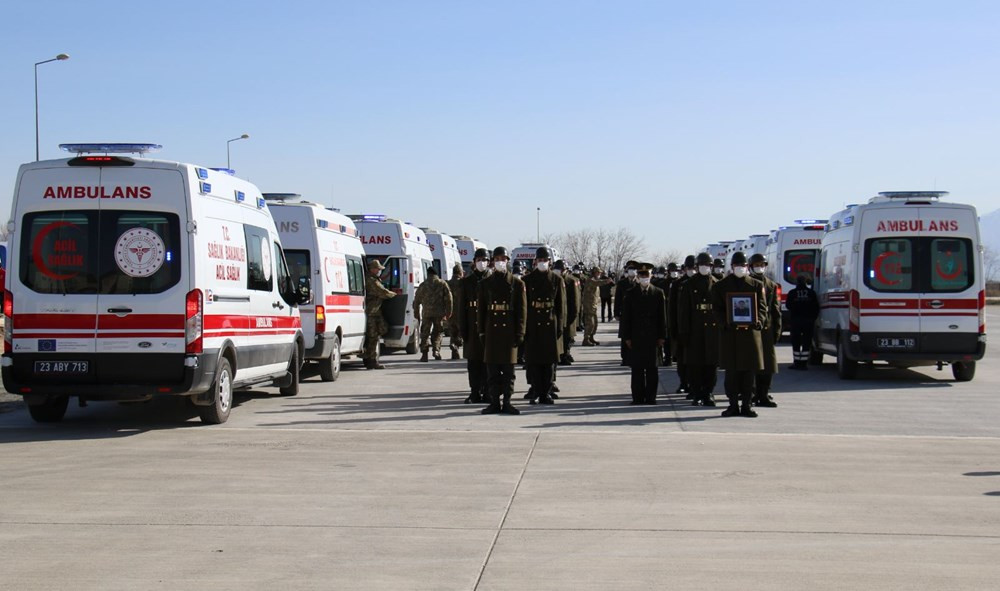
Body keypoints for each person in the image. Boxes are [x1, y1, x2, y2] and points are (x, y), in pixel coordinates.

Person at [711, 252, 768, 417]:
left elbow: (762, 308)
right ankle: (733, 404)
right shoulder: (721, 286)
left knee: (748, 373)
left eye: (743, 266)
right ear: (732, 267)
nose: (740, 269)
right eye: (737, 266)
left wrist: (759, 321)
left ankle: (747, 405)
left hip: (750, 335)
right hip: (731, 336)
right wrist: (724, 323)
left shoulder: (756, 285)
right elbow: (717, 309)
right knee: (732, 374)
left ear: (747, 267)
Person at [477, 246, 527, 415]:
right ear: (493, 261)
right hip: (492, 330)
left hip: (509, 331)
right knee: (492, 371)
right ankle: (494, 402)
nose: (500, 262)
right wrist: (481, 331)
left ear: (508, 261)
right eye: (497, 259)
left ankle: (507, 401)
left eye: (503, 259)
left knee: (508, 371)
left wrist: (520, 332)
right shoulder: (485, 284)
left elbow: (522, 311)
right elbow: (481, 311)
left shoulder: (517, 283)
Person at [522, 247, 566, 405]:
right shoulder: (527, 280)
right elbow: (523, 306)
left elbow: (561, 306)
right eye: (540, 260)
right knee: (533, 361)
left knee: (548, 361)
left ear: (550, 262)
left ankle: (546, 392)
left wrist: (560, 325)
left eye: (545, 260)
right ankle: (535, 389)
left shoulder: (557, 280)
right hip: (533, 322)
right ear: (535, 262)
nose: (542, 263)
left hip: (550, 322)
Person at [620, 263, 667, 404]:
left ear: (651, 276)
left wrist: (662, 336)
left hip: (653, 337)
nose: (644, 278)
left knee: (652, 369)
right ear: (638, 277)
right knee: (637, 369)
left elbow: (662, 317)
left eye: (646, 275)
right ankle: (638, 397)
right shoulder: (630, 293)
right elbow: (626, 318)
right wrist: (626, 337)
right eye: (641, 275)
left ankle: (651, 397)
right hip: (636, 337)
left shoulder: (658, 293)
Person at [677, 253, 719, 406]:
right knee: (695, 365)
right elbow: (683, 311)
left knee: (711, 365)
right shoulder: (688, 285)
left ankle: (708, 392)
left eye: (707, 264)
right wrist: (684, 332)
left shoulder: (716, 283)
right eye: (702, 264)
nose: (704, 267)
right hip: (695, 330)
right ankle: (697, 393)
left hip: (712, 331)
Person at [456, 248, 491, 404]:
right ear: (474, 262)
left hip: (489, 328)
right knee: (473, 363)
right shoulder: (466, 282)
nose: (482, 262)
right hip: (472, 327)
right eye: (479, 259)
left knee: (488, 363)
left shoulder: (492, 280)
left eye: (484, 259)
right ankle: (474, 392)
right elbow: (460, 308)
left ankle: (488, 392)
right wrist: (462, 329)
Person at [749, 253, 781, 408]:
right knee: (753, 364)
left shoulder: (771, 285)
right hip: (752, 329)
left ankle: (764, 394)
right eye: (756, 264)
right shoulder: (747, 283)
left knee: (768, 365)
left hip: (767, 329)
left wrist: (777, 330)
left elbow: (775, 310)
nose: (759, 267)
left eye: (762, 264)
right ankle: (752, 393)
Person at [668, 255, 696, 393]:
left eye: (694, 267)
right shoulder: (678, 284)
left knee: (695, 362)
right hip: (681, 327)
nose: (692, 270)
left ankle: (694, 385)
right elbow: (672, 308)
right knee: (681, 359)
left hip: (697, 329)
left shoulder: (701, 282)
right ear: (684, 269)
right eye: (689, 268)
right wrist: (672, 328)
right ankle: (683, 383)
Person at [413, 266, 453, 362]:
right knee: (438, 332)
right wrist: (449, 312)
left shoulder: (423, 285)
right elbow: (449, 299)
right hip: (439, 313)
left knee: (425, 333)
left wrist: (416, 314)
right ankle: (436, 351)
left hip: (426, 313)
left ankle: (424, 354)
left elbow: (416, 301)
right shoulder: (442, 283)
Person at [363, 259, 396, 370]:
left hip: (375, 311)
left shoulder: (373, 279)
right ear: (373, 269)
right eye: (378, 269)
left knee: (379, 331)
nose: (379, 271)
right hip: (371, 312)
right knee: (373, 336)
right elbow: (383, 292)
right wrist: (395, 295)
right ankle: (371, 361)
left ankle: (369, 358)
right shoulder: (372, 281)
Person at [786, 274, 819, 369]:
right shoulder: (811, 293)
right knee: (806, 341)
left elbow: (788, 306)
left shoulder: (792, 293)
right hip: (808, 321)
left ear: (797, 282)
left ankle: (796, 362)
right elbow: (816, 307)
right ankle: (804, 363)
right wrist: (813, 318)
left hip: (796, 320)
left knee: (796, 341)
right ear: (805, 282)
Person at [556, 260, 580, 366]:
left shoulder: (570, 281)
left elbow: (575, 302)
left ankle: (565, 355)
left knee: (567, 338)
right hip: (559, 315)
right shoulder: (555, 280)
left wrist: (571, 318)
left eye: (561, 269)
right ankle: (561, 356)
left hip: (569, 315)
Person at [614, 261, 638, 366]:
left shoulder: (639, 282)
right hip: (624, 313)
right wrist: (616, 313)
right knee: (625, 335)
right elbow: (617, 299)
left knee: (635, 336)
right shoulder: (622, 283)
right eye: (630, 269)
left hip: (637, 314)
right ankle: (624, 358)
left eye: (634, 269)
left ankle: (634, 357)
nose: (632, 271)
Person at [446, 263, 465, 360]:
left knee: (453, 331)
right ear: (461, 272)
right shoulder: (463, 283)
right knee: (461, 331)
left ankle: (455, 352)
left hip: (450, 311)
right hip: (461, 311)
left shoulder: (447, 283)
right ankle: (456, 343)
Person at [580, 267, 603, 346]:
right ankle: (586, 339)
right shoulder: (590, 280)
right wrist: (607, 281)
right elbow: (598, 283)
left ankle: (591, 337)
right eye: (598, 273)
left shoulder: (595, 280)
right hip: (588, 306)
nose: (599, 274)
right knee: (590, 323)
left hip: (593, 306)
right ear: (594, 273)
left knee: (595, 323)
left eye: (600, 273)